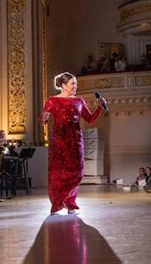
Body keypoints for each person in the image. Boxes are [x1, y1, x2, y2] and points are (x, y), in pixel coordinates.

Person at [39, 72, 105, 215]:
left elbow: (90, 119)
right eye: (72, 84)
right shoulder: (52, 101)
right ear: (63, 86)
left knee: (77, 172)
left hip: (75, 141)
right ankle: (58, 203)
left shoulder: (79, 101)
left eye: (76, 83)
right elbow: (42, 121)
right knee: (57, 174)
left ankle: (70, 201)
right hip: (58, 141)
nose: (75, 86)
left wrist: (99, 107)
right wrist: (44, 118)